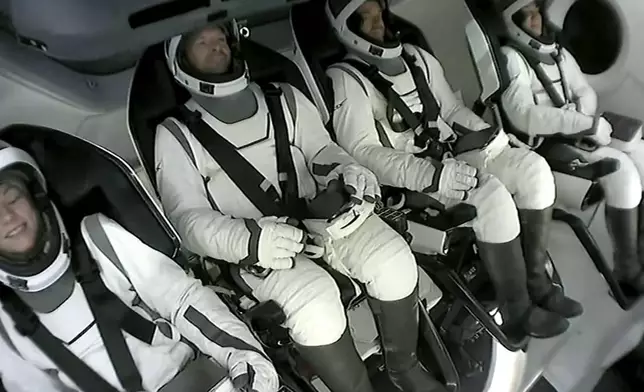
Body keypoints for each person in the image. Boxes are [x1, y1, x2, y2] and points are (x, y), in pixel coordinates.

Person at [155, 21, 447, 392]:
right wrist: (248, 240)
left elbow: (323, 152)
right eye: (202, 42)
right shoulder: (176, 133)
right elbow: (186, 219)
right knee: (316, 304)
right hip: (252, 250)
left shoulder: (286, 96)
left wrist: (349, 173)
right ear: (180, 60)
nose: (217, 47)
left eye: (221, 39)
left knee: (393, 256)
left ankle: (403, 367)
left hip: (318, 218)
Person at [325, 0, 584, 340]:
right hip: (412, 182)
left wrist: (494, 138)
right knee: (492, 196)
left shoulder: (416, 57)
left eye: (378, 15)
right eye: (364, 19)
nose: (376, 25)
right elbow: (362, 150)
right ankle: (516, 310)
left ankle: (537, 282)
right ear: (347, 28)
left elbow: (451, 109)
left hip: (453, 153)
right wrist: (428, 175)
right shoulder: (346, 79)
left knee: (534, 169)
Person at [0, 139, 278, 392]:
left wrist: (247, 360)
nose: (7, 216)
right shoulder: (4, 328)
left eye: (11, 196)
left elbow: (183, 299)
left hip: (195, 380)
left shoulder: (98, 238)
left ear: (35, 196)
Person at [499, 0, 644, 293]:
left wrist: (580, 113)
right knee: (623, 174)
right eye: (527, 15)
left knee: (640, 151)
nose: (537, 19)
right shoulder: (510, 58)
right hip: (545, 146)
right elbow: (524, 114)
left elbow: (585, 91)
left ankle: (639, 251)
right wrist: (579, 123)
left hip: (578, 130)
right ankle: (627, 269)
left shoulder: (559, 53)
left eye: (537, 11)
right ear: (513, 23)